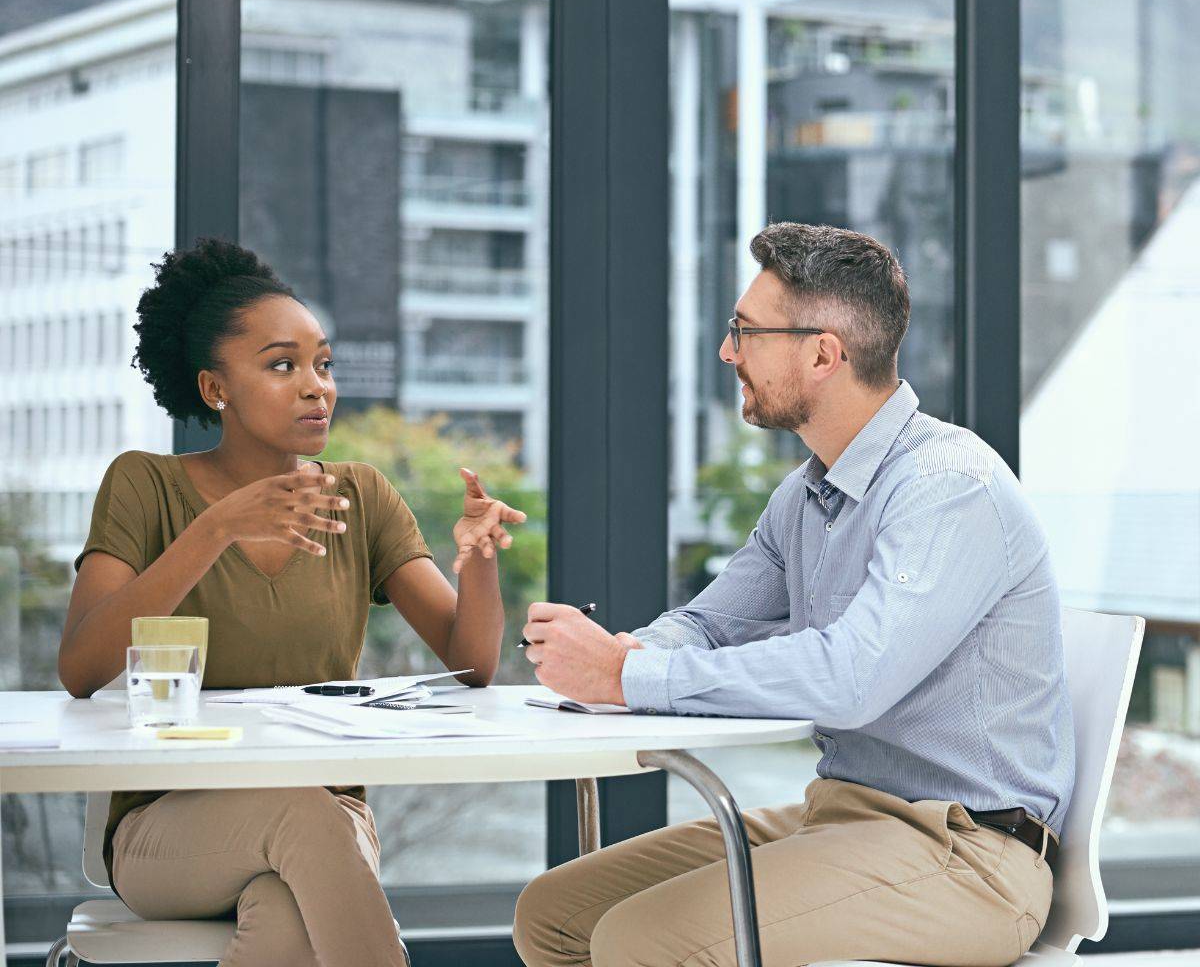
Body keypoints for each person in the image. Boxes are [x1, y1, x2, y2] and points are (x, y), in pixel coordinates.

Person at [513, 222, 1074, 967]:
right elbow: (710, 623)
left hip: (966, 855)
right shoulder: (809, 493)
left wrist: (624, 679)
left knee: (640, 941)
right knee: (555, 913)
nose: (727, 353)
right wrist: (629, 653)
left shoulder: (947, 490)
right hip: (841, 816)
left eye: (745, 332)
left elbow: (852, 678)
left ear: (822, 353)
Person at [58, 236, 527, 967]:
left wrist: (478, 561)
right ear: (216, 389)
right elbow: (81, 668)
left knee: (285, 919)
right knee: (305, 816)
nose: (317, 387)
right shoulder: (145, 485)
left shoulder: (360, 496)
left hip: (327, 828)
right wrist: (216, 528)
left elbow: (472, 666)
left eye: (323, 364)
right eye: (282, 365)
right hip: (168, 833)